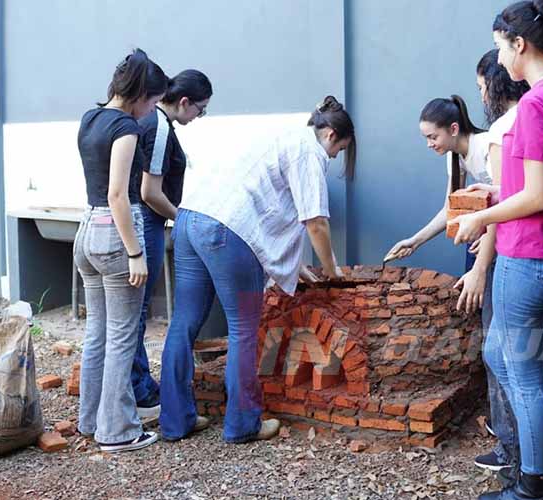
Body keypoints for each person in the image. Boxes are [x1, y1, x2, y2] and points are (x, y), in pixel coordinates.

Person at [158, 95, 356, 443]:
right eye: (337, 150)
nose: (333, 157)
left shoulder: (278, 134)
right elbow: (315, 223)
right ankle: (242, 424)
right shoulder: (308, 150)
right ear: (329, 136)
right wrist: (333, 271)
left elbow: (270, 204)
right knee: (243, 330)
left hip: (189, 220)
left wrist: (296, 267)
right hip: (227, 231)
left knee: (183, 323)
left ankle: (175, 422)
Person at [453, 1, 543, 497]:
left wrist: (479, 217)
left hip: (528, 256)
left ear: (519, 45)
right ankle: (537, 460)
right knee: (500, 354)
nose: (498, 61)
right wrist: (494, 196)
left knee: (523, 375)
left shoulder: (535, 104)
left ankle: (535, 485)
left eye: (498, 47)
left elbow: (538, 196)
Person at [75, 48, 167, 452]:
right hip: (116, 234)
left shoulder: (90, 119)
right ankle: (118, 431)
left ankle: (90, 420)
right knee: (122, 335)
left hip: (86, 233)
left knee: (97, 333)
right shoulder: (125, 128)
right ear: (140, 95)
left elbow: (100, 192)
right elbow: (118, 194)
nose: (152, 110)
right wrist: (135, 252)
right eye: (152, 101)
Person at [130, 69, 213, 424]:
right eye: (201, 109)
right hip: (147, 224)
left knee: (129, 315)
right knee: (137, 313)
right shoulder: (161, 127)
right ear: (184, 102)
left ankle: (136, 388)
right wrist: (182, 218)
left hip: (135, 222)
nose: (199, 117)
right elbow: (151, 193)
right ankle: (142, 393)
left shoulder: (147, 119)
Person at [384, 95, 490, 270]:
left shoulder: (486, 145)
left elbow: (509, 197)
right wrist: (414, 242)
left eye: (433, 137)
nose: (429, 144)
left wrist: (489, 239)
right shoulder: (454, 155)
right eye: (426, 138)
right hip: (485, 233)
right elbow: (449, 209)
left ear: (453, 129)